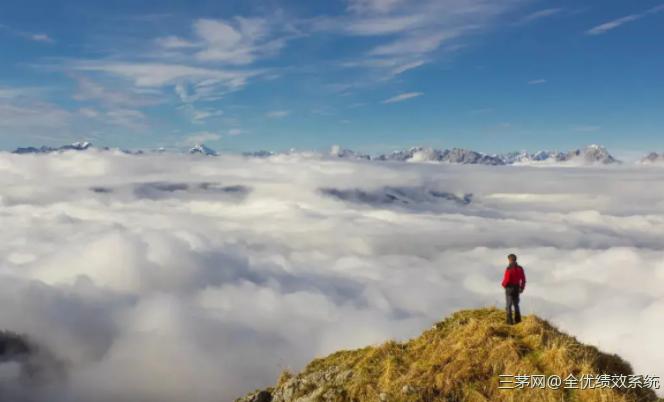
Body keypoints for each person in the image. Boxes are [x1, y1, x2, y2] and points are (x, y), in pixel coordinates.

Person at [501, 253, 526, 325]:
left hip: (509, 288)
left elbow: (507, 279)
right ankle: (518, 320)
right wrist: (522, 288)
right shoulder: (520, 268)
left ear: (510, 260)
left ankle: (509, 321)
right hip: (517, 288)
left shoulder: (509, 269)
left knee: (508, 305)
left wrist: (503, 285)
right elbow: (523, 279)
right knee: (516, 304)